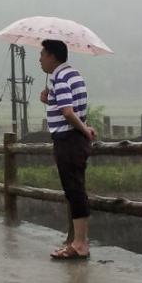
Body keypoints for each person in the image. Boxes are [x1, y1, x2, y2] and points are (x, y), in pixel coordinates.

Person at [39, 40, 97, 260]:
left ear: (53, 56)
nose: (40, 59)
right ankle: (79, 241)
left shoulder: (60, 78)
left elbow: (67, 112)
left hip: (68, 140)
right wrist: (49, 99)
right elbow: (68, 107)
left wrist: (84, 130)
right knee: (76, 189)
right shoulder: (73, 74)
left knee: (74, 190)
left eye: (43, 54)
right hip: (73, 139)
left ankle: (80, 244)